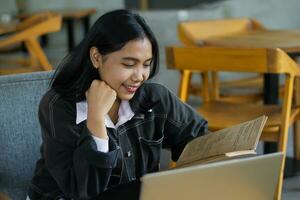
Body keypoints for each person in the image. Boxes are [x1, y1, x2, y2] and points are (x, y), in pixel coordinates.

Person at [27, 9, 208, 200]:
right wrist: (95, 118)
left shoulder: (154, 98)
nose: (139, 76)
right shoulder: (60, 106)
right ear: (96, 57)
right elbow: (82, 191)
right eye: (129, 64)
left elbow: (198, 138)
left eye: (146, 64)